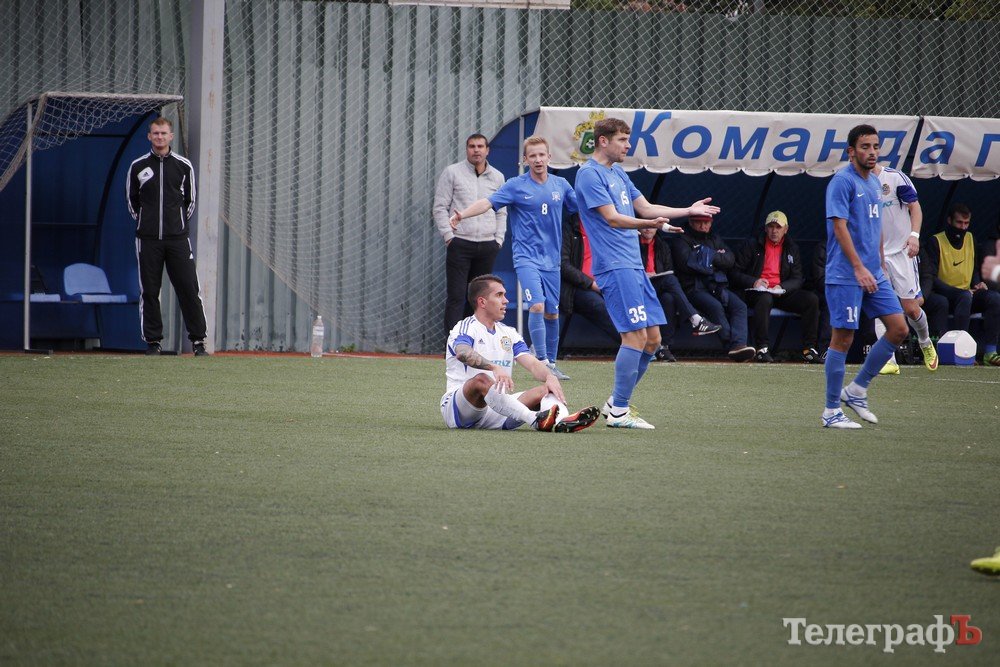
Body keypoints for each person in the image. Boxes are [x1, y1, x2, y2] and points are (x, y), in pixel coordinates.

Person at [573, 116, 719, 429]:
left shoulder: (618, 174)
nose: (628, 146)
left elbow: (647, 208)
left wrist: (687, 210)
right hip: (615, 267)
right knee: (635, 337)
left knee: (653, 339)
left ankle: (616, 402)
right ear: (603, 141)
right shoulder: (589, 174)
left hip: (634, 267)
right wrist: (649, 224)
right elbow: (613, 218)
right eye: (623, 140)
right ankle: (619, 411)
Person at [450, 136, 575, 380]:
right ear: (525, 160)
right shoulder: (516, 185)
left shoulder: (561, 185)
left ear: (549, 157)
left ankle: (551, 361)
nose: (538, 160)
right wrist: (462, 214)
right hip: (526, 257)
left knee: (552, 312)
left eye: (542, 155)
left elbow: (585, 208)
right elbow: (487, 203)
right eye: (532, 156)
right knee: (537, 305)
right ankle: (541, 361)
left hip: (552, 261)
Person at [821, 124, 909, 429]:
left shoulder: (874, 183)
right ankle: (831, 411)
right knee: (843, 338)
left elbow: (877, 225)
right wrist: (859, 267)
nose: (872, 152)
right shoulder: (841, 182)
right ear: (851, 151)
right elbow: (840, 228)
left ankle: (857, 389)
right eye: (865, 147)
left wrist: (880, 262)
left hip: (874, 273)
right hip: (846, 274)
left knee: (899, 329)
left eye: (875, 146)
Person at [441, 274, 599, 432]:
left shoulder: (509, 333)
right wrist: (494, 367)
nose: (505, 300)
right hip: (461, 410)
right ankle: (534, 419)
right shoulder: (466, 327)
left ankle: (562, 422)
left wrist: (550, 377)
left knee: (546, 390)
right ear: (482, 302)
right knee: (481, 379)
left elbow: (533, 364)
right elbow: (462, 352)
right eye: (499, 295)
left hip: (498, 409)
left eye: (504, 295)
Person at [126, 117, 208, 356]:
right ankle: (153, 342)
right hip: (147, 240)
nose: (159, 137)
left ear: (171, 136)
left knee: (189, 288)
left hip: (177, 239)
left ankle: (198, 341)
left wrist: (177, 225)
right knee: (150, 291)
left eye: (163, 133)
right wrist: (147, 223)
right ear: (149, 136)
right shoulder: (138, 166)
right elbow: (132, 201)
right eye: (155, 133)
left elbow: (190, 202)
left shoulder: (183, 166)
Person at [433, 134, 507, 336]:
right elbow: (440, 207)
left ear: (487, 150)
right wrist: (449, 236)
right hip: (460, 244)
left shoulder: (498, 177)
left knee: (479, 299)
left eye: (480, 146)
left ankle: (474, 340)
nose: (476, 150)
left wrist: (498, 240)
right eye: (472, 146)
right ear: (467, 149)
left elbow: (501, 211)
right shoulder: (452, 173)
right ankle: (453, 343)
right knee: (456, 296)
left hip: (487, 245)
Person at [871, 164, 938, 375]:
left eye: (872, 149)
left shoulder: (895, 178)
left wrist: (914, 236)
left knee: (911, 309)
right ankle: (889, 360)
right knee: (881, 307)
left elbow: (914, 207)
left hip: (901, 253)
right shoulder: (854, 184)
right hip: (877, 255)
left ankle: (925, 342)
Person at [731, 211, 821, 363]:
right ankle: (762, 348)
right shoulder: (752, 244)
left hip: (781, 292)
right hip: (757, 292)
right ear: (765, 228)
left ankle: (809, 349)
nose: (774, 231)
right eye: (771, 226)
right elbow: (734, 273)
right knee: (765, 299)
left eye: (778, 227)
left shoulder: (791, 247)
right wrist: (754, 282)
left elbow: (797, 278)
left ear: (786, 229)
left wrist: (782, 287)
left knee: (811, 300)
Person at [921, 204, 1000, 366]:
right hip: (944, 293)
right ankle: (961, 351)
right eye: (959, 223)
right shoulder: (935, 241)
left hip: (967, 294)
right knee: (962, 297)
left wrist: (978, 283)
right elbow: (931, 278)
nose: (963, 227)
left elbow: (974, 269)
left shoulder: (971, 238)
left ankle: (990, 352)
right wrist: (959, 291)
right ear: (949, 221)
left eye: (966, 223)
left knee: (994, 298)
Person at [672, 213, 756, 362]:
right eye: (699, 222)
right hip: (693, 288)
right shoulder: (681, 239)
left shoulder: (714, 238)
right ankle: (732, 346)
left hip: (716, 285)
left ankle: (739, 345)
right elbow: (687, 265)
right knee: (715, 306)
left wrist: (705, 256)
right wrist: (715, 257)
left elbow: (730, 260)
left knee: (740, 306)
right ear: (691, 222)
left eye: (706, 222)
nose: (703, 226)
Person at [637, 227, 721, 361]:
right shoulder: (633, 243)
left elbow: (669, 269)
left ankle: (663, 347)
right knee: (670, 280)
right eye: (644, 225)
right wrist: (644, 275)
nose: (648, 229)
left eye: (651, 225)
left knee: (669, 298)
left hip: (657, 285)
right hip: (638, 286)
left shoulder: (662, 245)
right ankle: (695, 319)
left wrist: (656, 275)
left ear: (657, 227)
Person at [560, 215, 622, 347]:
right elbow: (563, 265)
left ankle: (653, 345)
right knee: (599, 306)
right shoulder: (569, 227)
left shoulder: (606, 226)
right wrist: (592, 284)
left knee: (630, 302)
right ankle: (633, 346)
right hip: (576, 288)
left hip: (607, 283)